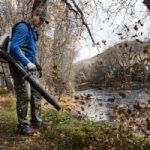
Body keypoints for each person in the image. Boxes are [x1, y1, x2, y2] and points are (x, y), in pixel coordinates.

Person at [9, 9, 49, 135]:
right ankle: (23, 125)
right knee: (25, 95)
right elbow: (14, 48)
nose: (41, 22)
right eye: (40, 18)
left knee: (37, 94)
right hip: (19, 67)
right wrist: (27, 63)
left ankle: (36, 120)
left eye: (43, 21)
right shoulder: (22, 27)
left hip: (30, 68)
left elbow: (30, 52)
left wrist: (36, 65)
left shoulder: (32, 31)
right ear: (34, 15)